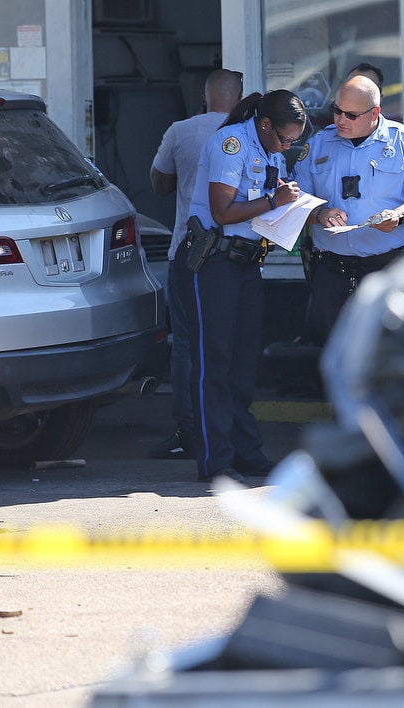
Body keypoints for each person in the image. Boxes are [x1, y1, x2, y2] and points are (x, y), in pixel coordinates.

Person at [180, 89, 306, 483]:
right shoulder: (231, 143)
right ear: (265, 124)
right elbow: (222, 211)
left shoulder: (270, 149)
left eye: (294, 141)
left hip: (248, 264)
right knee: (213, 361)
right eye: (285, 139)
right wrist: (275, 201)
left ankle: (246, 452)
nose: (288, 146)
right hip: (214, 262)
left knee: (243, 362)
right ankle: (215, 460)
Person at [293, 75, 404, 346]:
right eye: (336, 111)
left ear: (374, 113)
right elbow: (295, 200)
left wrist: (397, 216)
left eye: (350, 115)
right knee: (328, 353)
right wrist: (319, 214)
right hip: (331, 270)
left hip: (387, 268)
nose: (340, 120)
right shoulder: (318, 144)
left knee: (386, 352)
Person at [148, 69, 243, 460]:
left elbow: (158, 183)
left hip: (186, 252)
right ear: (239, 99)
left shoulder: (181, 130)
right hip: (236, 255)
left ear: (205, 97)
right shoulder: (249, 133)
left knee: (187, 345)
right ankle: (229, 429)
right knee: (233, 344)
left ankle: (189, 430)